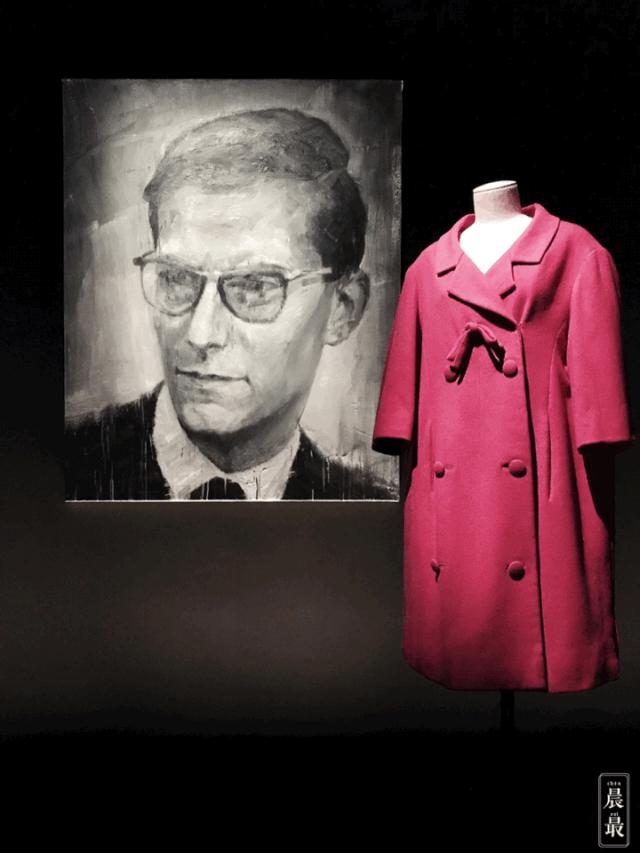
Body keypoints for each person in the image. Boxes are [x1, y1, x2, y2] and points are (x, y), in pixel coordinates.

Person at [65, 107, 394, 500]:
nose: (201, 335)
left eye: (255, 287)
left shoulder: (357, 503)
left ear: (343, 307)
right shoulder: (68, 467)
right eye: (176, 277)